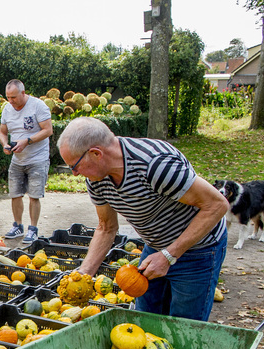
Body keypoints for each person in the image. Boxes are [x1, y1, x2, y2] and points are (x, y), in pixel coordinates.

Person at [57, 117, 229, 322]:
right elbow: (106, 227)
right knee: (145, 319)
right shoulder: (96, 179)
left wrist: (168, 255)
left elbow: (217, 205)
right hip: (155, 247)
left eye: (74, 166)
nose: (75, 174)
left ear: (96, 154)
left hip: (197, 250)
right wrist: (84, 273)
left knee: (185, 326)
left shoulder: (156, 165)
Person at [0, 79, 53, 243]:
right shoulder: (7, 109)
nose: (11, 101)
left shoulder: (38, 106)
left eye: (14, 97)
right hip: (17, 160)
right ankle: (17, 226)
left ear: (23, 93)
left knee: (34, 196)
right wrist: (5, 144)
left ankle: (33, 229)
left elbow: (48, 130)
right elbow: (2, 132)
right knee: (15, 194)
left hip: (37, 158)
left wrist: (27, 141)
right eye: (8, 97)